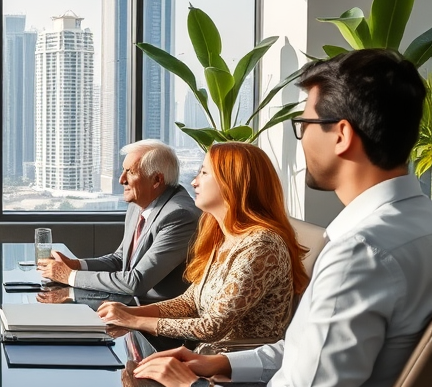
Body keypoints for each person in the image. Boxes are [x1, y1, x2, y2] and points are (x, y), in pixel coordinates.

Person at [134, 48, 432, 387]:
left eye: (304, 124)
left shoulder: (360, 253)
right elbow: (307, 351)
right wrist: (219, 362)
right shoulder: (416, 225)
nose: (302, 136)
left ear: (342, 135)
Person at [97, 142, 309, 350]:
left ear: (231, 183)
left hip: (236, 367)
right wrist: (131, 313)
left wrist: (134, 321)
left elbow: (212, 327)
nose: (194, 183)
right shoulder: (223, 236)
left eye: (204, 173)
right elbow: (190, 302)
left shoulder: (261, 247)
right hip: (207, 358)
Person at [38, 140, 200, 302]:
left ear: (157, 180)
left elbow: (136, 282)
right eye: (123, 170)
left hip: (156, 314)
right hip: (128, 304)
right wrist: (76, 265)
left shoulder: (179, 215)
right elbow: (122, 260)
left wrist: (70, 276)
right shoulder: (139, 204)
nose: (121, 180)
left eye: (130, 172)